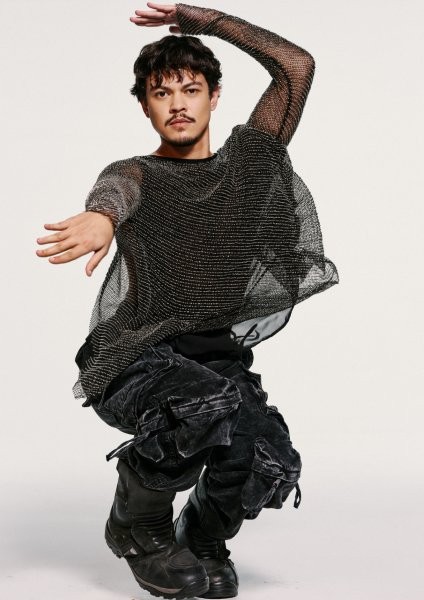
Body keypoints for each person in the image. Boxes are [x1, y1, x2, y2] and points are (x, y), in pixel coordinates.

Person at [36, 2, 339, 599]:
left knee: (267, 457)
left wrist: (206, 21)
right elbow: (115, 192)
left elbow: (296, 66)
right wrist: (103, 217)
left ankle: (201, 540)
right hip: (135, 361)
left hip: (215, 363)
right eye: (161, 93)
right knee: (203, 405)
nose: (177, 103)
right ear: (145, 106)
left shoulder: (248, 167)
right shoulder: (137, 174)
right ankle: (138, 530)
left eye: (190, 89)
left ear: (214, 97)